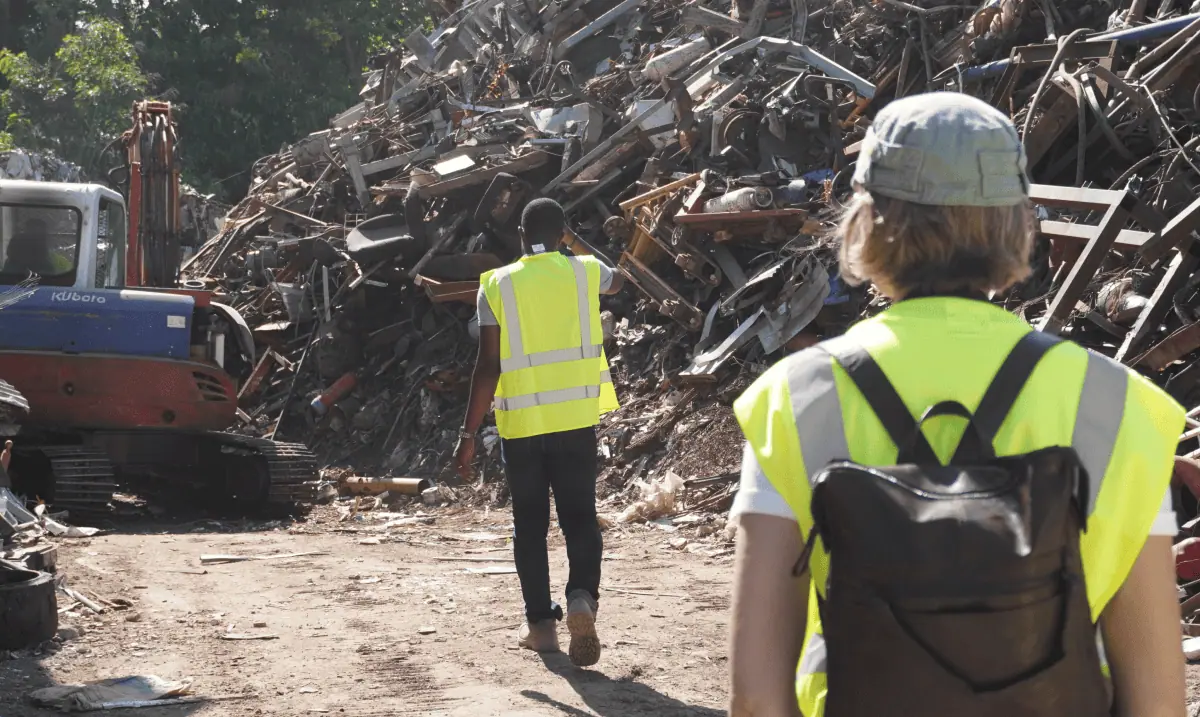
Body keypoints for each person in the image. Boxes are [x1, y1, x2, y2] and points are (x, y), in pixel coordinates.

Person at [728, 92, 1187, 717]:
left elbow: (757, 696)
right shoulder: (1117, 405)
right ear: (1018, 225)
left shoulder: (795, 397)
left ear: (864, 221)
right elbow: (1157, 699)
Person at [455, 197, 623, 666]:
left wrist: (468, 437)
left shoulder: (497, 285)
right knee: (580, 520)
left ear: (521, 237)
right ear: (564, 231)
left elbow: (487, 365)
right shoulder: (585, 271)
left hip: (523, 428)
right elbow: (620, 278)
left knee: (529, 527)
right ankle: (581, 599)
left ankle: (542, 630)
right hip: (575, 421)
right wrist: (574, 244)